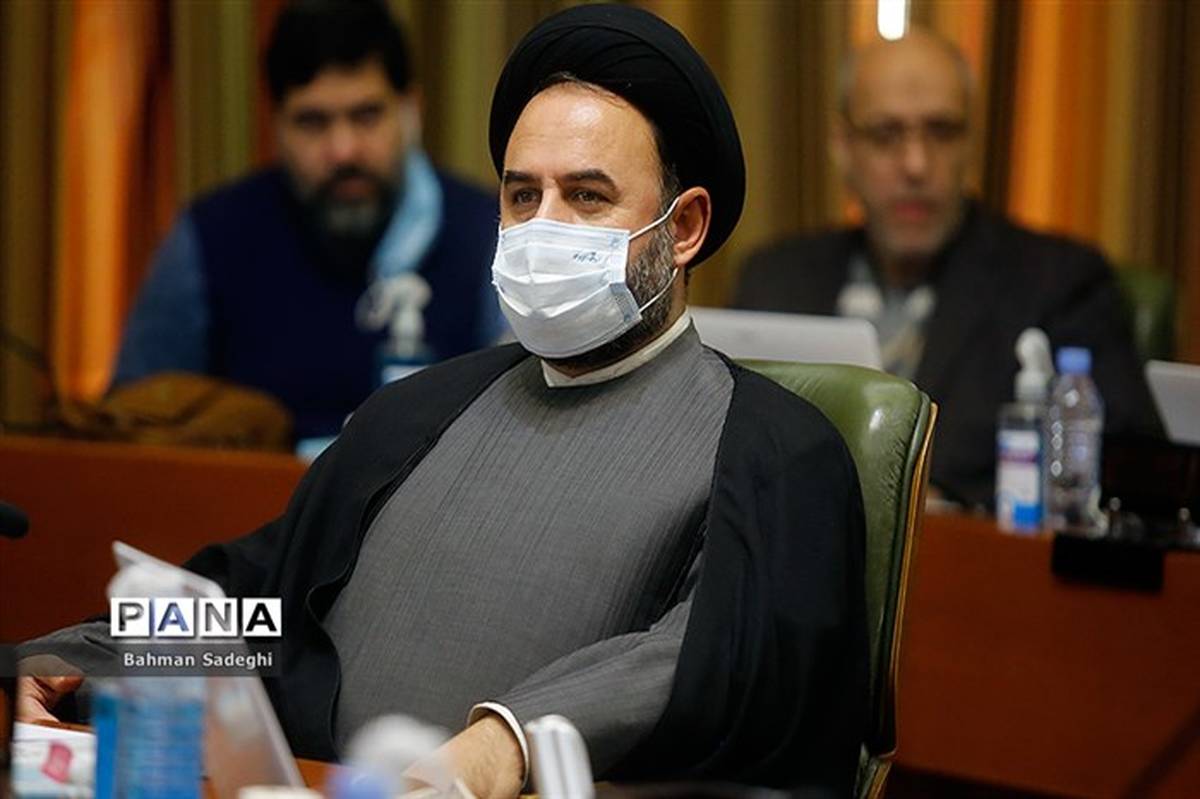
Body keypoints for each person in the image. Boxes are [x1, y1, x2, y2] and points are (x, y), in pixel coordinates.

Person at [20, 5, 868, 797]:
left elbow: (721, 657)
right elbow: (264, 608)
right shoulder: (419, 413)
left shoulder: (774, 447)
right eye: (522, 195)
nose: (543, 228)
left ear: (682, 229)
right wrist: (90, 655)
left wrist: (508, 742)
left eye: (586, 196)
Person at [733, 29, 1159, 509]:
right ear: (843, 148)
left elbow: (1131, 472)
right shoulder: (774, 280)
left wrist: (936, 507)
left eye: (942, 132)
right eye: (885, 134)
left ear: (970, 145)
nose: (916, 165)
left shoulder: (1060, 283)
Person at [112, 0, 504, 441]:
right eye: (313, 122)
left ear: (411, 109)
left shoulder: (487, 235)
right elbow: (129, 431)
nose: (343, 151)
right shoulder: (209, 238)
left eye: (366, 116)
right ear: (275, 124)